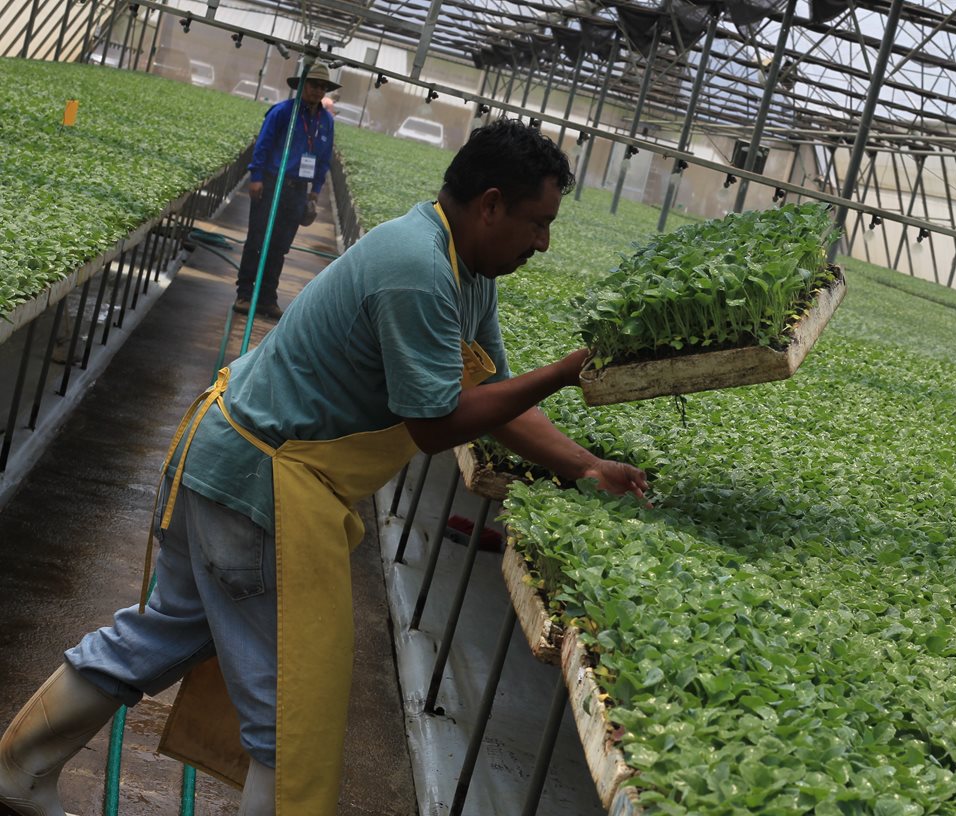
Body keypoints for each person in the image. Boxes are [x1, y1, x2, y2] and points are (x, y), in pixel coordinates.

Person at [0, 119, 647, 816]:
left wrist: (587, 467)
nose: (543, 243)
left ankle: (18, 771)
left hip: (231, 462)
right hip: (259, 487)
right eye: (537, 223)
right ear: (490, 204)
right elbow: (435, 426)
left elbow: (494, 402)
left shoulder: (468, 274)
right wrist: (566, 373)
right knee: (293, 712)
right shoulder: (417, 270)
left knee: (159, 634)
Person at [234, 60, 338, 320]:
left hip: (297, 190)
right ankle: (245, 294)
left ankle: (267, 298)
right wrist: (256, 177)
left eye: (323, 86)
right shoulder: (282, 112)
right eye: (314, 84)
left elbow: (323, 158)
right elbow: (263, 145)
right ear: (302, 85)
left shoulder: (325, 121)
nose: (317, 90)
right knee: (257, 240)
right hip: (271, 183)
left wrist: (315, 189)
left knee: (280, 246)